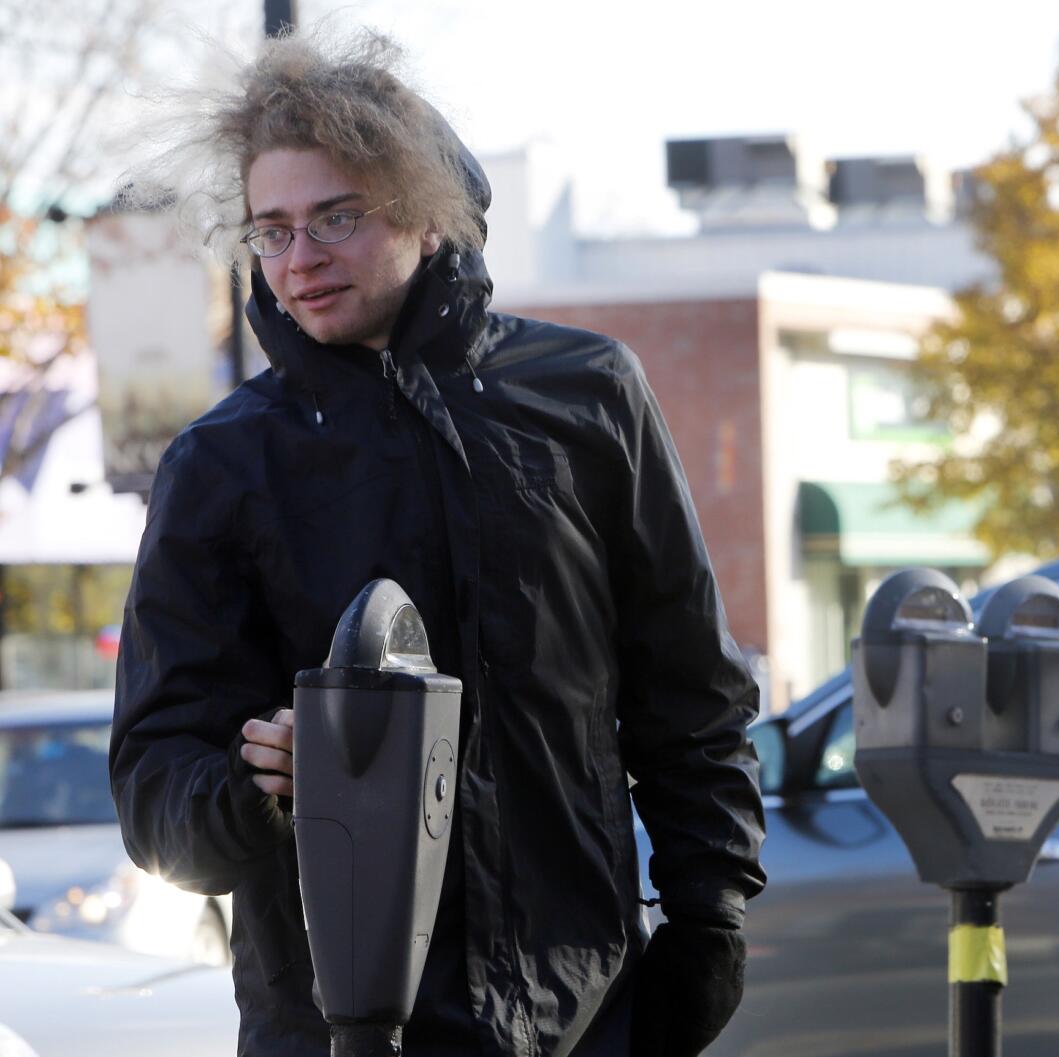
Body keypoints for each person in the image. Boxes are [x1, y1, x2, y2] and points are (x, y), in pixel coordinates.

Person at [109, 28, 766, 1057]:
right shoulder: (222, 464)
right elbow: (154, 786)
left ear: (425, 211)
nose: (301, 258)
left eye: (337, 215)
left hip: (584, 1013)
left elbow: (688, 694)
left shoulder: (587, 395)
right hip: (331, 1027)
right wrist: (254, 787)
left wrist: (708, 915)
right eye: (271, 229)